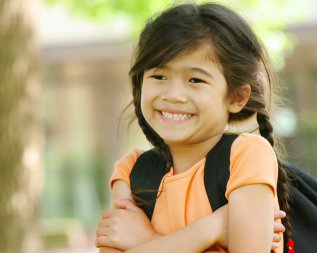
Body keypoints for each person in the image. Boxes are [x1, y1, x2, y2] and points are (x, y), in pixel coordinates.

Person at [95, 2, 292, 253]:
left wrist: (146, 240)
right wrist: (212, 228)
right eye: (159, 76)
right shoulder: (131, 172)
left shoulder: (246, 156)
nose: (174, 94)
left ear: (236, 97)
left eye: (195, 80)